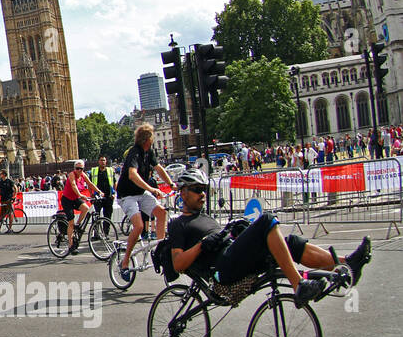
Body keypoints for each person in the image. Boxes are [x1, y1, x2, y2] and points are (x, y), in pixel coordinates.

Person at [166, 169, 370, 307]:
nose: (202, 194)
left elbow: (225, 240)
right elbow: (178, 264)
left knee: (290, 243)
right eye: (197, 190)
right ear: (183, 192)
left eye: (204, 190)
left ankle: (345, 264)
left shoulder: (206, 216)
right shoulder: (178, 223)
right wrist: (202, 245)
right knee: (266, 220)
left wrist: (234, 231)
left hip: (234, 256)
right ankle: (299, 285)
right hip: (222, 270)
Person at [116, 125, 173, 282]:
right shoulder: (134, 153)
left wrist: (171, 183)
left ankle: (160, 250)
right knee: (139, 226)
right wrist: (151, 188)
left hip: (140, 193)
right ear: (148, 139)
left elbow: (159, 168)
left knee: (161, 213)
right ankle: (125, 262)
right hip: (127, 196)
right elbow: (132, 175)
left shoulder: (149, 153)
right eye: (152, 137)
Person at [59, 161, 98, 254]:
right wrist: (80, 195)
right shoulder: (71, 175)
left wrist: (99, 191)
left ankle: (78, 224)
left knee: (85, 208)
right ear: (74, 168)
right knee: (71, 222)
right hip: (67, 199)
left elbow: (90, 184)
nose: (79, 170)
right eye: (77, 168)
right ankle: (71, 245)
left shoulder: (83, 175)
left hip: (75, 198)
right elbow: (73, 185)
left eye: (81, 169)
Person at [92, 155, 116, 225]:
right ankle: (95, 234)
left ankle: (106, 234)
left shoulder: (110, 171)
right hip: (97, 197)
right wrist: (91, 193)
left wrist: (114, 193)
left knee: (108, 217)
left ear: (106, 162)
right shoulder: (94, 171)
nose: (103, 162)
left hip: (108, 197)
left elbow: (114, 182)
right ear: (98, 161)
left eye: (104, 160)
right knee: (96, 216)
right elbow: (90, 184)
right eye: (101, 160)